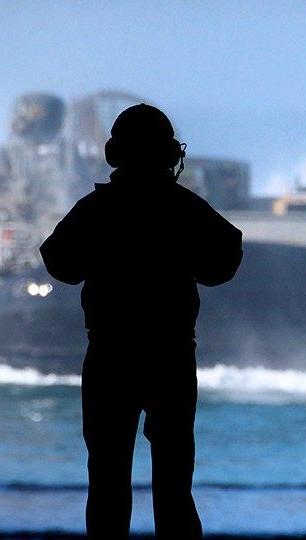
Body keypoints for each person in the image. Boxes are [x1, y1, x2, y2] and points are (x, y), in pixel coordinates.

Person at [39, 104, 243, 539]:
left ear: (116, 155)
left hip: (110, 354)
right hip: (170, 354)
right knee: (174, 486)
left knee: (107, 482)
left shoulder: (96, 208)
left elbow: (59, 262)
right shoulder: (186, 208)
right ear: (170, 156)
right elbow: (223, 263)